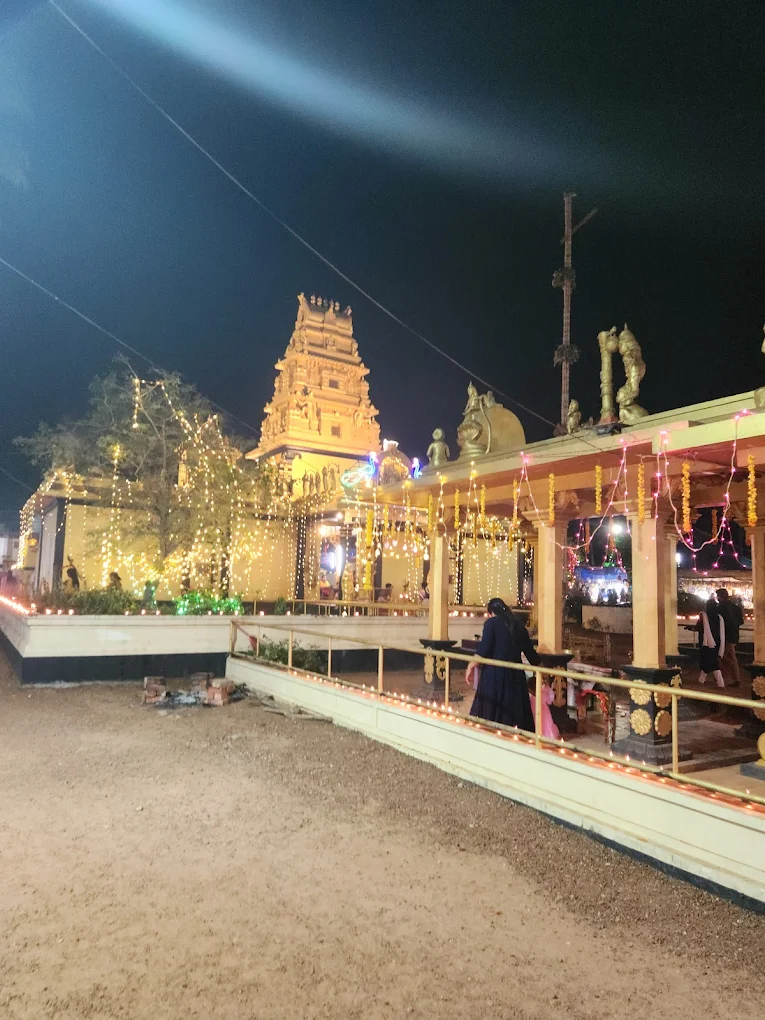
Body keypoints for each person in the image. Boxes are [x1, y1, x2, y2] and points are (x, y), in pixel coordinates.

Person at [465, 597, 540, 730]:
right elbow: (530, 654)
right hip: (516, 676)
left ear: (491, 612)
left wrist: (471, 665)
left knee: (493, 712)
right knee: (513, 715)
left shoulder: (491, 623)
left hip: (494, 675)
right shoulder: (518, 625)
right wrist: (541, 669)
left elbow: (484, 648)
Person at [715, 588, 743, 687]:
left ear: (720, 597)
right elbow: (741, 621)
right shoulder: (735, 607)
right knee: (729, 656)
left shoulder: (721, 608)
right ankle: (730, 678)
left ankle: (734, 679)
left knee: (728, 657)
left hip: (725, 636)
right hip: (734, 635)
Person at [696, 596, 725, 688]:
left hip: (706, 642)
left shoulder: (703, 615)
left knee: (711, 662)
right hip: (717, 641)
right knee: (709, 660)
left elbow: (699, 627)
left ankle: (720, 683)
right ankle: (701, 679)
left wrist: (690, 628)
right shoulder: (719, 617)